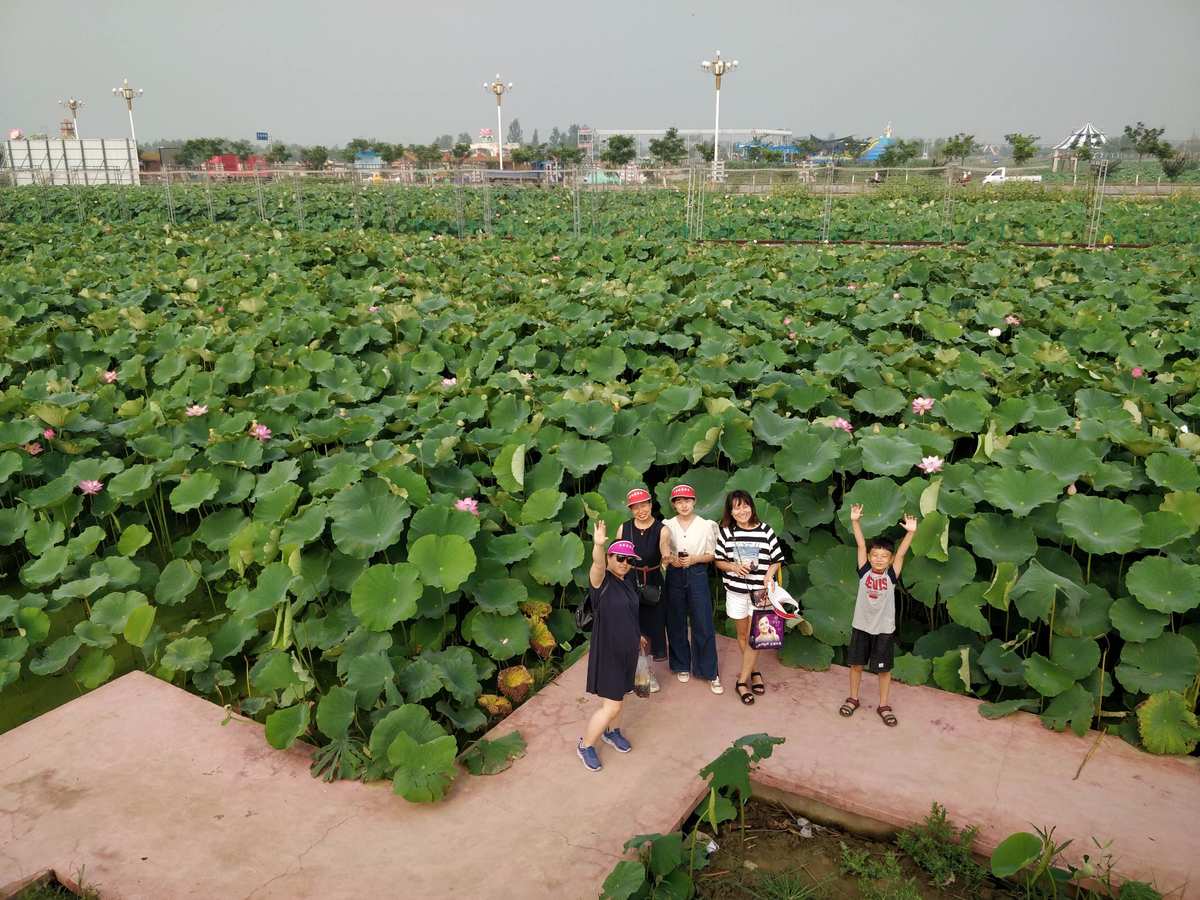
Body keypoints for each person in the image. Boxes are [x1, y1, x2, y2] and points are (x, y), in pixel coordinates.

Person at [578, 519, 648, 772]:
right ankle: (586, 745)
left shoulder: (627, 581)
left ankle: (612, 731)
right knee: (612, 705)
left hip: (628, 650)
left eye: (629, 560)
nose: (625, 564)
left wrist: (638, 634)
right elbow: (597, 563)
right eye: (620, 558)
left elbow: (629, 613)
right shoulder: (602, 581)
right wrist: (598, 544)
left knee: (621, 695)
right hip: (607, 652)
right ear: (610, 558)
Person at [840, 504, 918, 727]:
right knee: (856, 665)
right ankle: (853, 698)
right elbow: (861, 544)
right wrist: (855, 521)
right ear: (870, 557)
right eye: (875, 555)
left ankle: (883, 705)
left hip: (884, 628)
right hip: (861, 626)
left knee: (884, 671)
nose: (879, 559)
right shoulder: (864, 571)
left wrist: (910, 532)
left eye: (884, 556)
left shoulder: (892, 575)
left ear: (890, 560)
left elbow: (902, 552)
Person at [714, 491, 784, 705]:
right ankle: (754, 672)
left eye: (745, 506)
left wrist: (769, 576)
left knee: (757, 636)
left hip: (760, 593)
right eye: (736, 507)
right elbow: (718, 561)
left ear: (752, 507)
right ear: (731, 511)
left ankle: (741, 682)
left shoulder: (765, 531)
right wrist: (734, 566)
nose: (742, 511)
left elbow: (777, 559)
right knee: (743, 636)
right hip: (736, 591)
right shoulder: (726, 533)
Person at [662, 484, 722, 695]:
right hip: (675, 574)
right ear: (674, 504)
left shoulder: (706, 525)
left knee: (703, 621)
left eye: (687, 500)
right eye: (679, 501)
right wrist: (671, 559)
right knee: (676, 620)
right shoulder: (667, 525)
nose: (683, 505)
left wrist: (695, 559)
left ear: (694, 501)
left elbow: (711, 554)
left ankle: (709, 671)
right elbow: (663, 549)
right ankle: (681, 664)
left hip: (697, 573)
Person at [618, 488, 673, 693]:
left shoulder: (662, 529)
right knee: (630, 626)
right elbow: (616, 556)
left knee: (650, 629)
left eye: (644, 505)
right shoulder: (624, 529)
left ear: (651, 505)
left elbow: (664, 549)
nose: (640, 510)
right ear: (631, 509)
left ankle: (646, 672)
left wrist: (666, 558)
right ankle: (630, 670)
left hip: (652, 582)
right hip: (629, 579)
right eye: (635, 507)